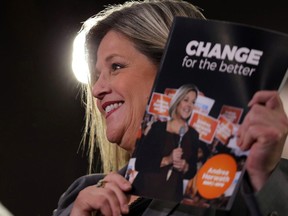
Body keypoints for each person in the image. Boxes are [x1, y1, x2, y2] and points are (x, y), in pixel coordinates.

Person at [52, 1, 288, 216]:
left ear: (170, 71)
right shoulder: (79, 196)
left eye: (116, 66)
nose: (97, 89)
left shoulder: (251, 184)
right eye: (96, 76)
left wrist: (260, 176)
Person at [133, 84, 200, 202]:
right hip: (143, 193)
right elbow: (140, 163)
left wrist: (185, 166)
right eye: (186, 100)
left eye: (193, 102)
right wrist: (168, 159)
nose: (189, 105)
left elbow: (192, 172)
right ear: (177, 101)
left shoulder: (194, 135)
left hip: (171, 199)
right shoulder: (157, 128)